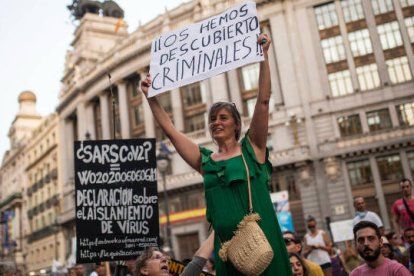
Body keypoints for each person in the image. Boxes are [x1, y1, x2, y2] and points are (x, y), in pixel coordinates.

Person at [140, 33, 291, 275]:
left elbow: (262, 102)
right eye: (212, 120)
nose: (216, 123)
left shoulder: (253, 150)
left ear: (237, 125)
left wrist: (263, 56)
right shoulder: (206, 161)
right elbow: (170, 130)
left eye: (223, 118)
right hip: (228, 252)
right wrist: (151, 98)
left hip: (261, 246)